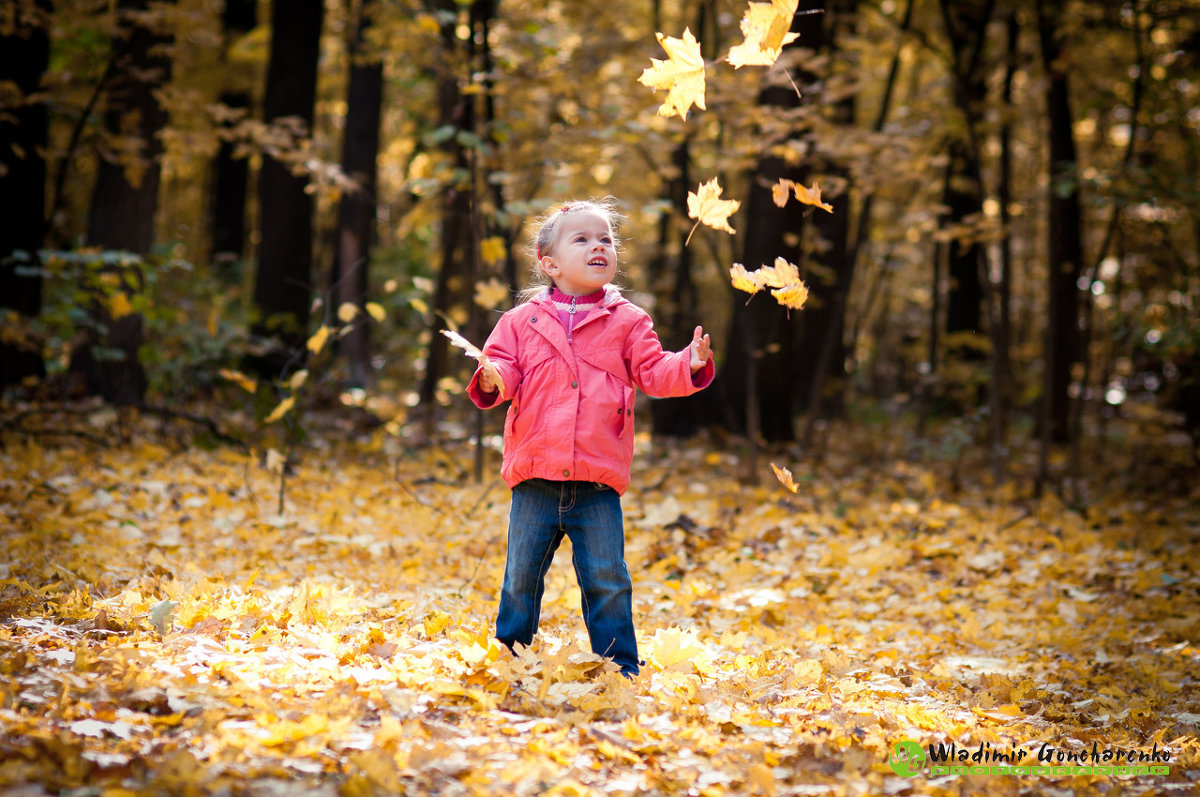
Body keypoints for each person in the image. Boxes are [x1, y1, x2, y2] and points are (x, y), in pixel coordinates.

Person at [466, 198, 714, 677]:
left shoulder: (629, 321)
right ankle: (511, 657)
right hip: (535, 474)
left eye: (605, 239)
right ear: (549, 262)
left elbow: (654, 371)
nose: (598, 246)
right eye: (582, 239)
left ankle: (621, 666)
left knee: (607, 579)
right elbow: (503, 372)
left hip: (597, 481)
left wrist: (689, 363)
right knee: (521, 577)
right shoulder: (520, 322)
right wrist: (493, 377)